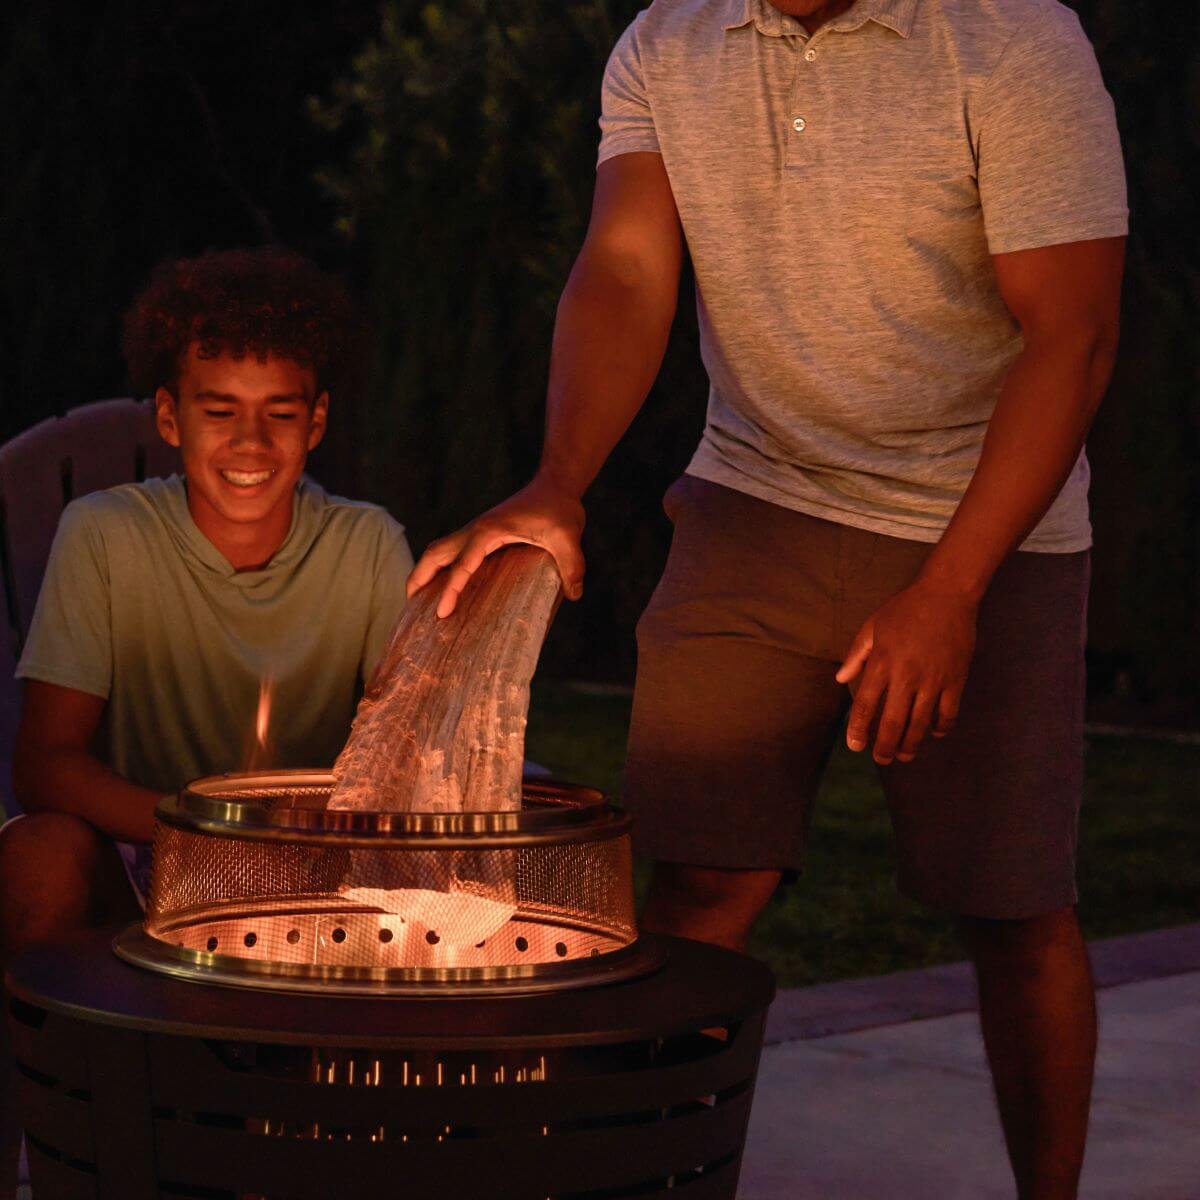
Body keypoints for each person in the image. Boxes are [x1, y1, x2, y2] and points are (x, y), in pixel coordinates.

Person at [406, 1, 1126, 1196]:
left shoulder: (1013, 40)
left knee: (1012, 908)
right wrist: (557, 481)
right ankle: (647, 1175)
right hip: (756, 495)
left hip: (984, 518)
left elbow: (1075, 335)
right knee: (696, 881)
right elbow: (628, 267)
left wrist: (950, 590)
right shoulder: (665, 42)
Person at [0, 246, 413, 949]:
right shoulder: (106, 534)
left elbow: (409, 757)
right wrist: (212, 826)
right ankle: (51, 1051)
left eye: (279, 414)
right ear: (170, 418)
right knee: (37, 854)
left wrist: (302, 838)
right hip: (145, 847)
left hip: (315, 861)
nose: (249, 443)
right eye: (219, 410)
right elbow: (46, 765)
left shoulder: (367, 545)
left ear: (314, 424)